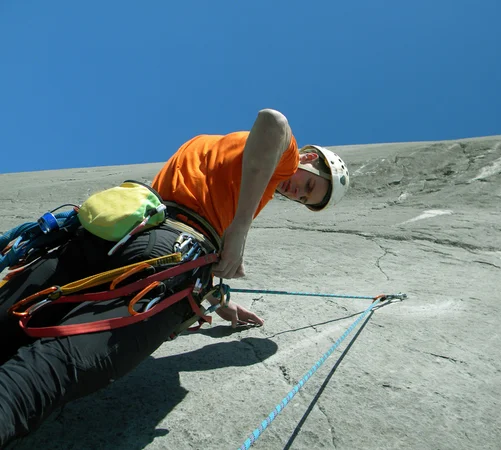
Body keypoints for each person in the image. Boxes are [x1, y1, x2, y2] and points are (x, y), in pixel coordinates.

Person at [0, 108, 349, 447]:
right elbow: (273, 122)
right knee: (52, 370)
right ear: (308, 158)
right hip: (170, 255)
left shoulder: (209, 146)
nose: (296, 192)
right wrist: (240, 227)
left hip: (114, 233)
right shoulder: (282, 162)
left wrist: (220, 301)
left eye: (304, 198)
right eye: (308, 185)